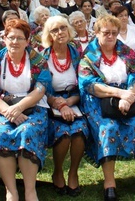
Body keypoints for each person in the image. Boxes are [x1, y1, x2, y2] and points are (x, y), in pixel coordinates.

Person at [78, 14, 135, 201]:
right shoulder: (89, 56)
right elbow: (89, 84)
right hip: (99, 101)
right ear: (96, 33)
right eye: (106, 33)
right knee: (108, 128)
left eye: (114, 32)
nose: (110, 36)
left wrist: (128, 97)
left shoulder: (126, 52)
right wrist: (119, 94)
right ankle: (109, 183)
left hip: (129, 98)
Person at [0, 19, 49, 201]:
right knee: (0, 132)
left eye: (19, 38)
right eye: (11, 37)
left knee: (27, 131)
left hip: (33, 107)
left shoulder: (37, 60)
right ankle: (11, 190)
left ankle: (30, 190)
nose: (15, 42)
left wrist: (20, 108)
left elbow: (41, 88)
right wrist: (8, 111)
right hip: (4, 108)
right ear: (4, 38)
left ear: (27, 41)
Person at [41, 16, 89, 196]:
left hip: (74, 100)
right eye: (54, 30)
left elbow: (85, 82)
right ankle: (58, 171)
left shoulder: (77, 53)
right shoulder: (43, 56)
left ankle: (73, 173)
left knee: (79, 132)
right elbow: (40, 87)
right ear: (49, 35)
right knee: (64, 134)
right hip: (51, 102)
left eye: (62, 28)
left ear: (68, 30)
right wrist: (58, 104)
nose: (60, 32)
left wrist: (70, 102)